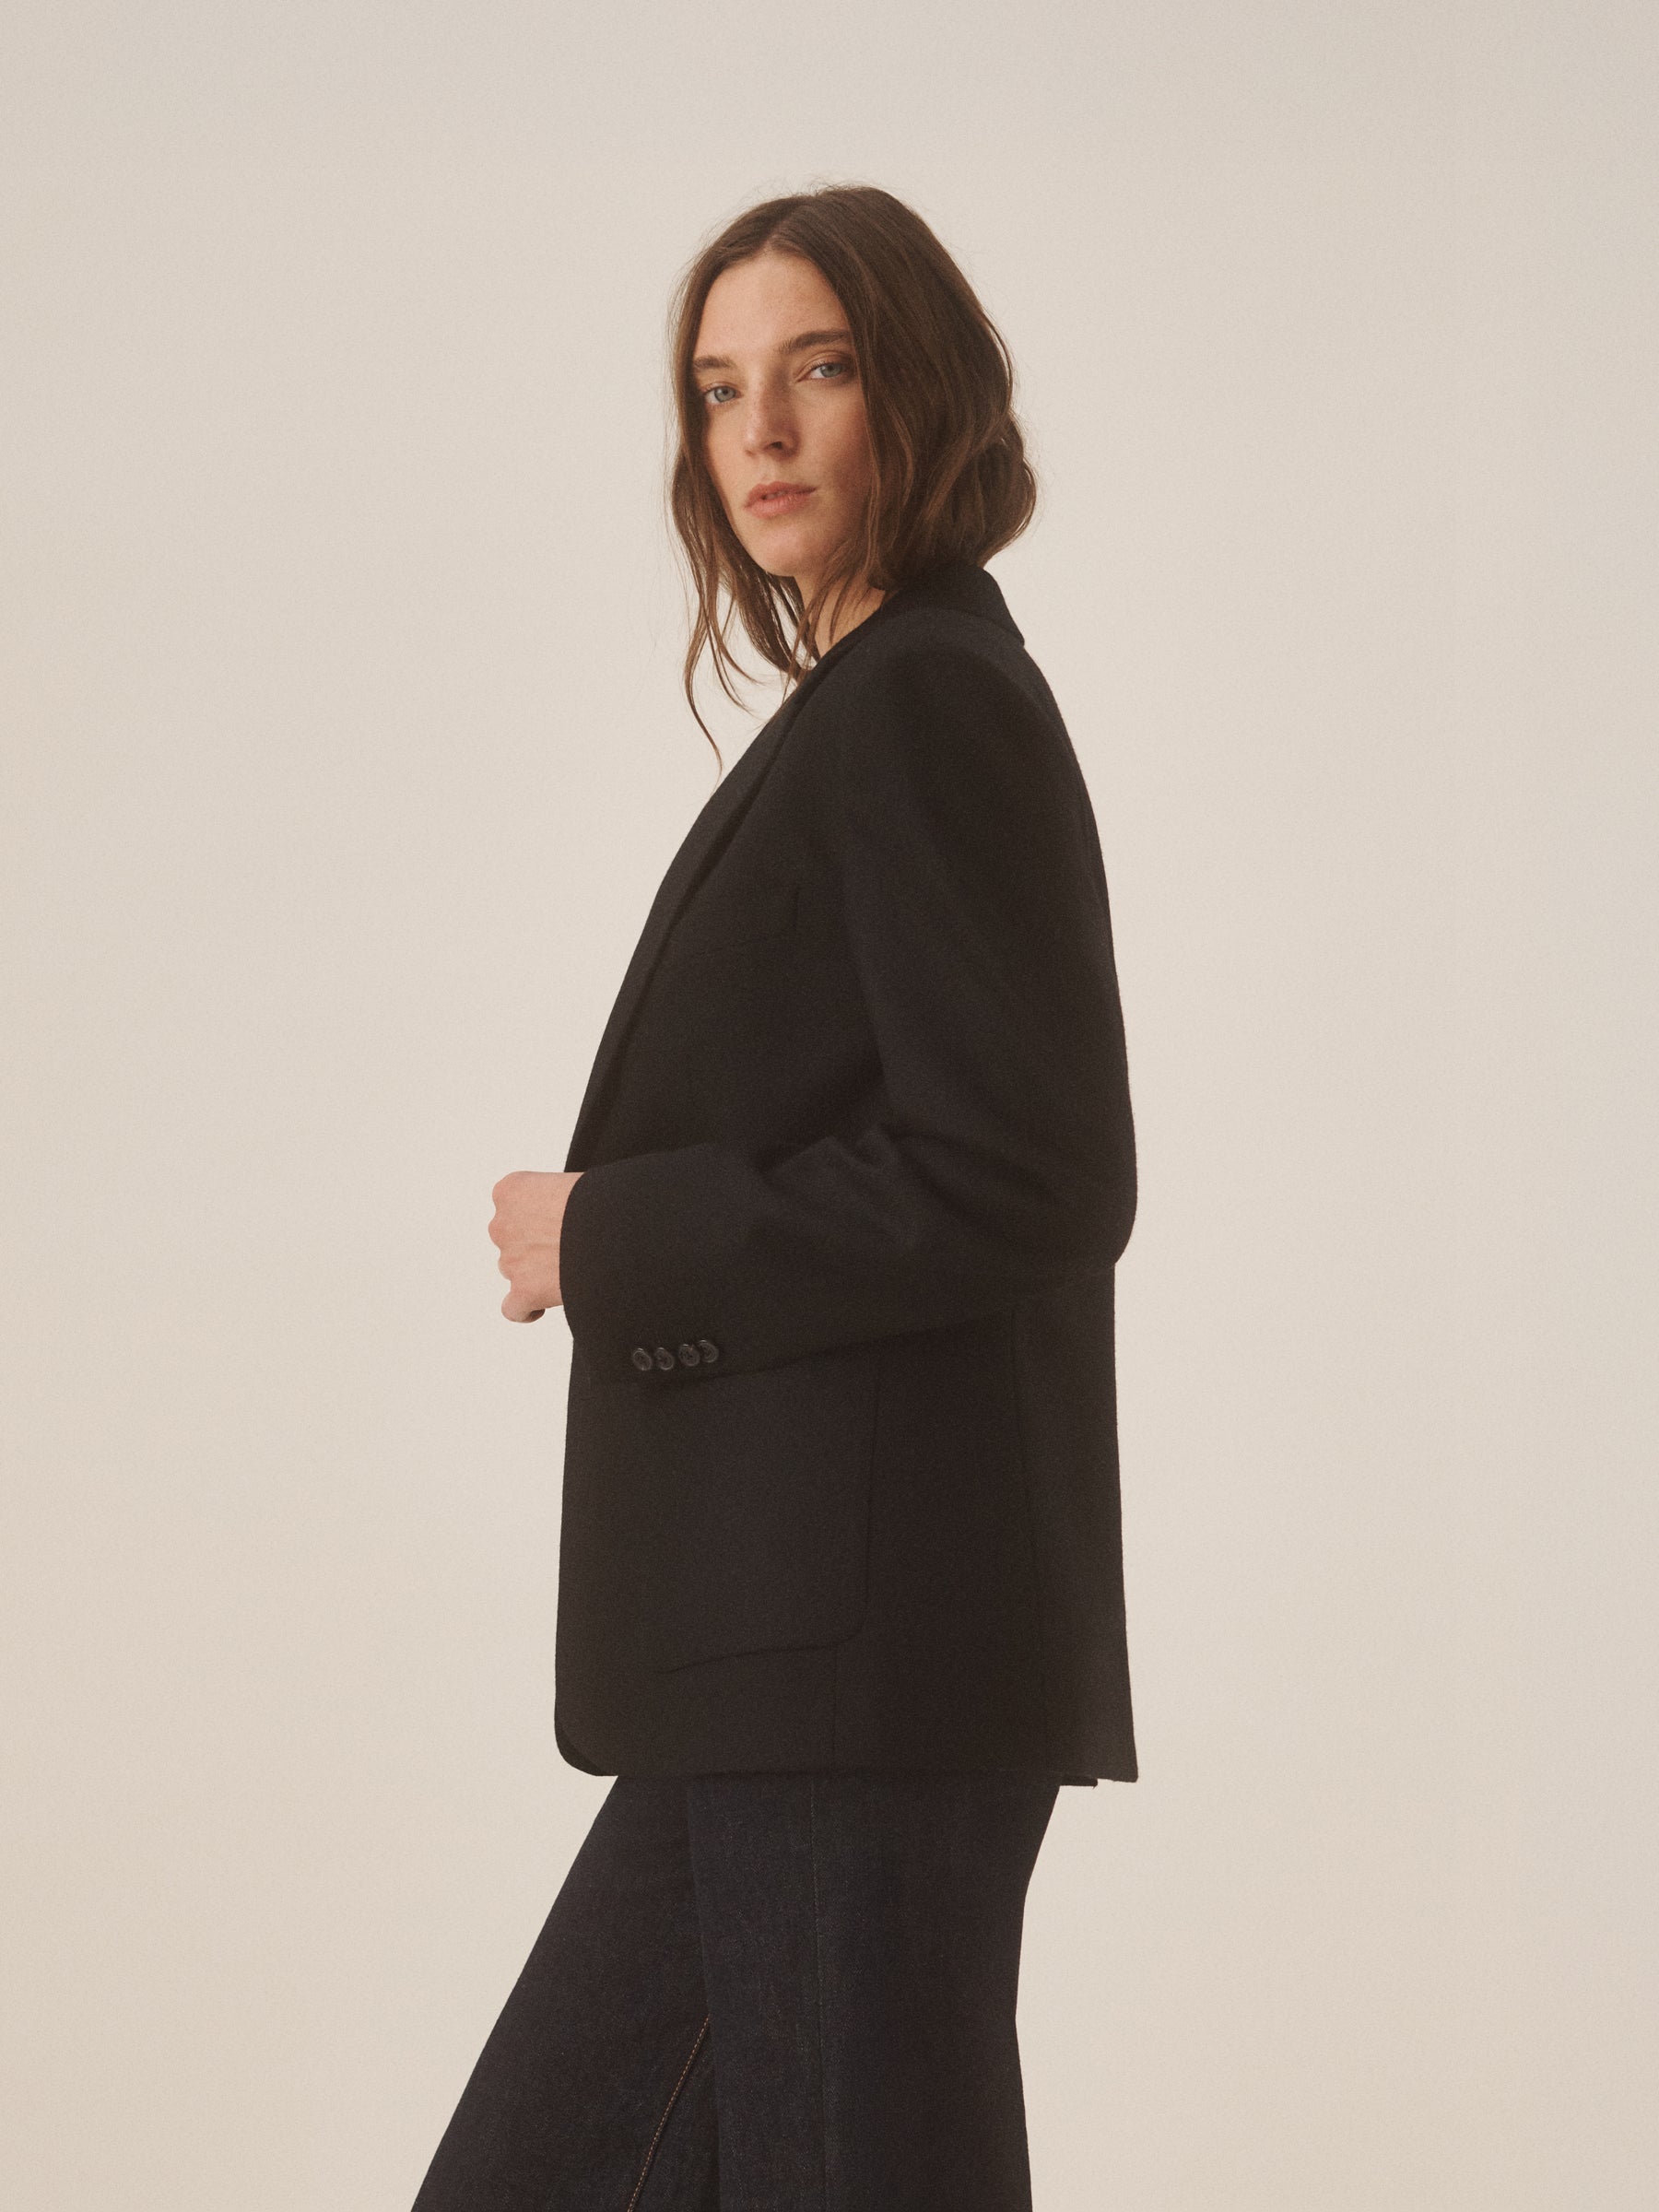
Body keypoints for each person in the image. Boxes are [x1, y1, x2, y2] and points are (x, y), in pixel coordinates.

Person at [412, 184, 1137, 2212]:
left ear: (925, 392)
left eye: (819, 368)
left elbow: (1034, 1174)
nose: (765, 430)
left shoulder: (927, 699)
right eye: (722, 389)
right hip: (792, 1675)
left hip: (852, 1670)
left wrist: (615, 1235)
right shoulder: (878, 699)